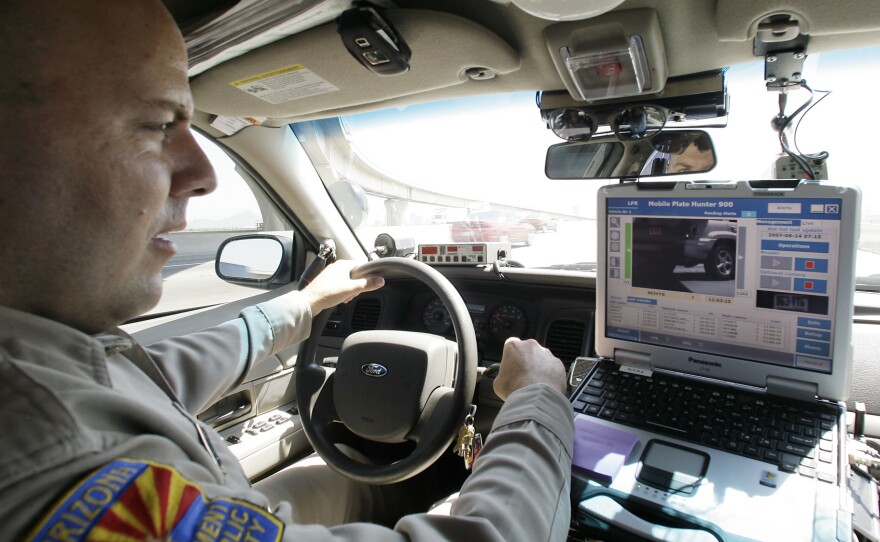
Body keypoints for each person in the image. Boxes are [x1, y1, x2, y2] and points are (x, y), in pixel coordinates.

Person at [0, 1, 574, 541]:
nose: (205, 172)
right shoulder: (64, 464)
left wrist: (306, 304)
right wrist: (538, 398)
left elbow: (158, 379)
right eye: (155, 125)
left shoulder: (53, 355)